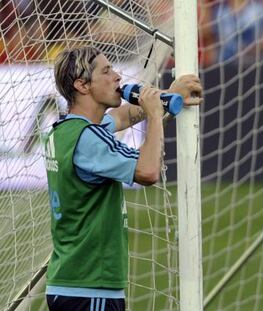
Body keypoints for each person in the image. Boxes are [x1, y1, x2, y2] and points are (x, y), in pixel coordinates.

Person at [44, 46, 203, 311]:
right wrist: (154, 115)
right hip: (90, 287)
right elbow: (148, 171)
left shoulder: (66, 130)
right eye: (106, 71)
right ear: (82, 85)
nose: (117, 76)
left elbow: (121, 116)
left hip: (72, 283)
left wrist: (169, 95)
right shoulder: (89, 139)